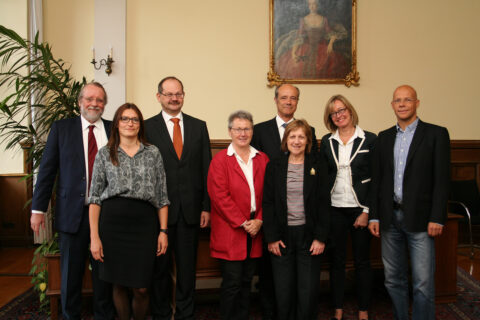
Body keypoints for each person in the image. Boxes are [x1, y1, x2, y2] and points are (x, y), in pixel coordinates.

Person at [30, 82, 114, 319]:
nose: (94, 104)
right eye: (89, 99)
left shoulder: (114, 129)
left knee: (104, 277)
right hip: (72, 214)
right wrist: (38, 209)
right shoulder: (61, 128)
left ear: (105, 104)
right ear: (80, 102)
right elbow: (47, 171)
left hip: (106, 215)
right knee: (70, 276)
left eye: (99, 100)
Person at [368, 85, 450, 320]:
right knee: (393, 279)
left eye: (407, 100)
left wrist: (437, 216)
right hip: (389, 218)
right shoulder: (383, 138)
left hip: (423, 219)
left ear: (417, 103)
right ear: (392, 105)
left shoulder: (436, 134)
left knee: (423, 282)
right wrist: (374, 215)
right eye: (397, 100)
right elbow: (377, 182)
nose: (402, 104)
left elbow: (442, 181)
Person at [89, 103, 169, 320]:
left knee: (142, 287)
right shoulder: (105, 153)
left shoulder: (153, 153)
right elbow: (95, 197)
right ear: (116, 123)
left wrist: (163, 231)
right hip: (112, 225)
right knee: (119, 284)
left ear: (140, 125)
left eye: (134, 119)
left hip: (145, 226)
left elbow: (162, 196)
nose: (130, 123)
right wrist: (94, 237)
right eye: (125, 118)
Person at [145, 76, 212, 320]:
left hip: (191, 212)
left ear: (184, 95)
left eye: (179, 94)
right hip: (158, 213)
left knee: (187, 270)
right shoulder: (147, 127)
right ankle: (161, 313)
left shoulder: (198, 126)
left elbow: (207, 168)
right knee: (159, 269)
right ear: (159, 97)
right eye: (169, 94)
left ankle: (185, 313)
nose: (175, 98)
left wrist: (206, 207)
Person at [251, 83, 318, 320]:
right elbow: (263, 190)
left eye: (293, 98)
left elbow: (319, 197)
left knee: (305, 287)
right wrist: (270, 232)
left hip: (306, 228)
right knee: (276, 285)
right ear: (276, 99)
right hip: (277, 224)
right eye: (284, 97)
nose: (288, 102)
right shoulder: (259, 131)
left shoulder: (311, 141)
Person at [263, 119, 329, 320]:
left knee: (307, 292)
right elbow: (269, 203)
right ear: (286, 140)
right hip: (282, 237)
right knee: (283, 292)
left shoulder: (318, 166)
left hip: (309, 237)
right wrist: (272, 237)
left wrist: (320, 237)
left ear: (308, 140)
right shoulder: (274, 166)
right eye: (293, 136)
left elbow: (324, 203)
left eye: (302, 137)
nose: (297, 141)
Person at [318, 95, 376, 320]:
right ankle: (338, 309)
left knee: (362, 262)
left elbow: (376, 178)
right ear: (330, 118)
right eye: (334, 113)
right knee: (337, 262)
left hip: (359, 209)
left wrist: (366, 211)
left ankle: (363, 310)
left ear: (350, 111)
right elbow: (323, 176)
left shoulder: (369, 139)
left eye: (342, 110)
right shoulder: (326, 141)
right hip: (334, 209)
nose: (339, 115)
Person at [207, 110, 269, 320]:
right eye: (238, 129)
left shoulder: (262, 159)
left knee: (247, 281)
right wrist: (243, 223)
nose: (243, 133)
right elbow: (219, 197)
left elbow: (270, 194)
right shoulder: (220, 161)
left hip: (256, 228)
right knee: (232, 283)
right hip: (231, 229)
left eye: (247, 128)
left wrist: (259, 219)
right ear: (230, 131)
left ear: (252, 130)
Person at [275, 0, 348, 79]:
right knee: (295, 65)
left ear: (317, 6)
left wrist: (330, 43)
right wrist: (293, 52)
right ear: (308, 6)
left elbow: (330, 34)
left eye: (314, 4)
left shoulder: (324, 19)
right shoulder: (303, 20)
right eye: (310, 4)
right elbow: (299, 37)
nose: (312, 6)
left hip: (322, 46)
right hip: (306, 47)